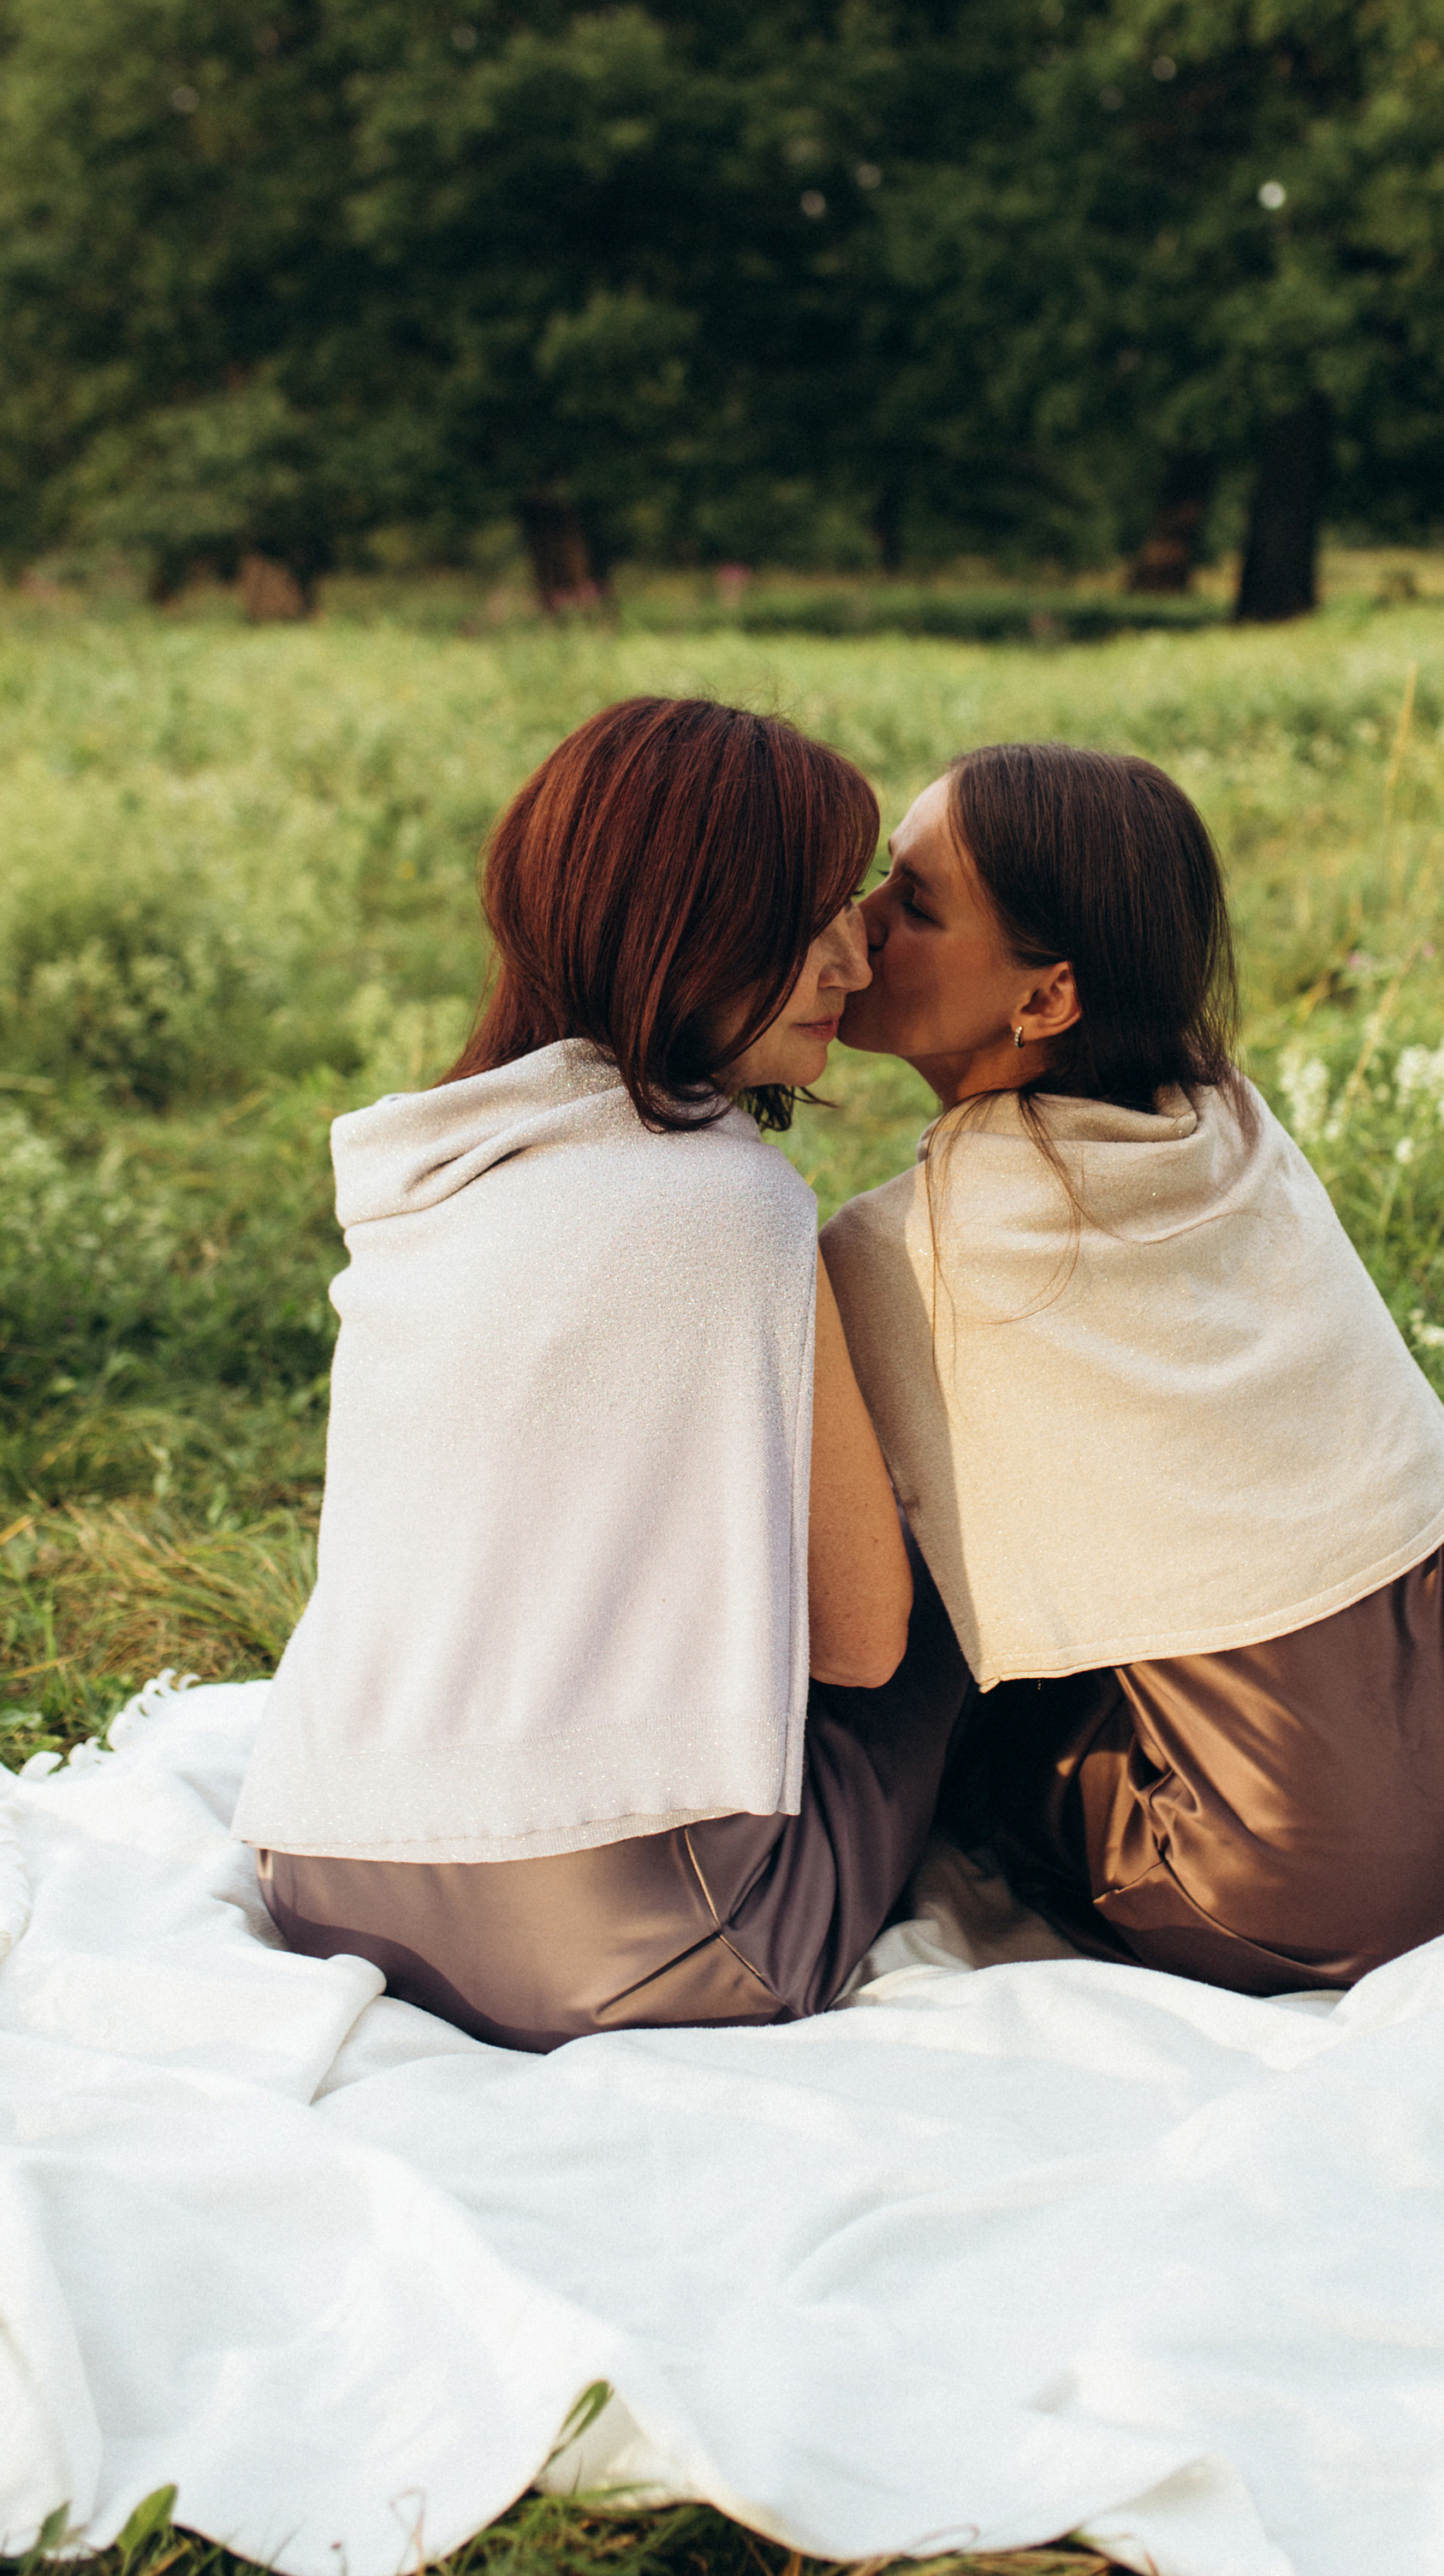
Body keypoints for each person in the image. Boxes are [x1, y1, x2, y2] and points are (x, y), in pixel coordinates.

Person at [821, 743, 1444, 1995]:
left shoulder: (899, 1257)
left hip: (1298, 1874)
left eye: (914, 907)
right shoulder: (1221, 1111)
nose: (858, 925)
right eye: (885, 878)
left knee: (952, 1700)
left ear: (1045, 1001)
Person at [234, 695, 968, 2053]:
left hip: (322, 1862)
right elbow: (863, 1644)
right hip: (641, 1942)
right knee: (965, 1622)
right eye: (806, 926)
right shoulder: (735, 1208)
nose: (850, 970)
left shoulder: (425, 1181)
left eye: (855, 918)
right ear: (685, 929)